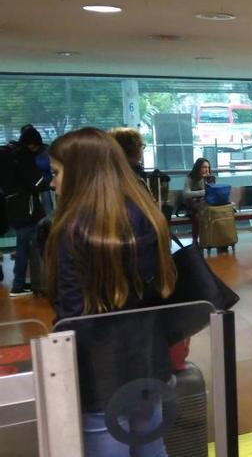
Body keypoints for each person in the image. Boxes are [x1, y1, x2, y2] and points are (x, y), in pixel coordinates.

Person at [44, 128, 177, 456]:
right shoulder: (149, 218)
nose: (52, 183)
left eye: (56, 173)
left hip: (99, 374)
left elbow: (73, 319)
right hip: (150, 358)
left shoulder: (71, 230)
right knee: (152, 446)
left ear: (80, 174)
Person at [0, 126, 47, 295]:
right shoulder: (24, 157)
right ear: (31, 144)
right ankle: (20, 285)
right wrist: (48, 178)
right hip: (26, 207)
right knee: (27, 247)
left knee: (22, 245)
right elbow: (37, 183)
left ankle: (20, 284)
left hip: (11, 205)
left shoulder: (8, 155)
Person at [183, 158, 212, 244]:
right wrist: (203, 192)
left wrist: (206, 181)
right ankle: (195, 240)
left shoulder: (209, 178)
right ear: (198, 167)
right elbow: (186, 194)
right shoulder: (190, 178)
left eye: (208, 167)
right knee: (197, 216)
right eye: (204, 167)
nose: (206, 169)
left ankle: (213, 239)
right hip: (193, 206)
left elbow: (211, 193)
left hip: (205, 204)